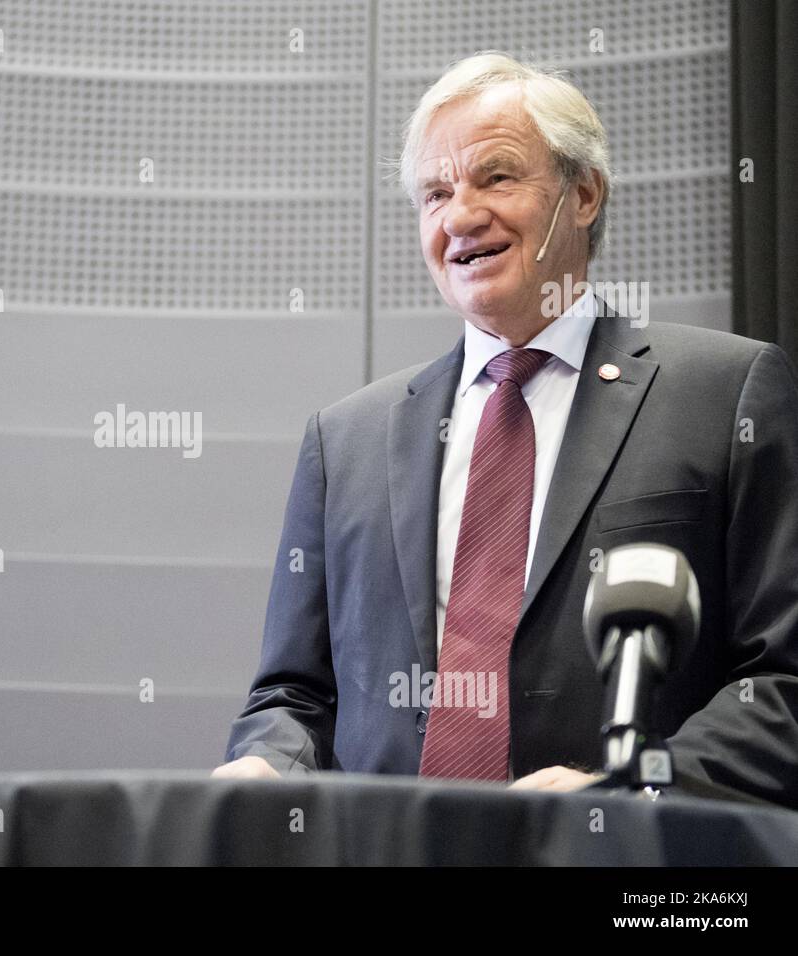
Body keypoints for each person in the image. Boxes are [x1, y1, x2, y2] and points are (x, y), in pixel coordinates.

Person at [213, 52, 798, 805]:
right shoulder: (346, 441)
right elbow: (294, 699)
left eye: (495, 177)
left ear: (582, 193)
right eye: (434, 193)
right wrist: (266, 766)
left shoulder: (725, 394)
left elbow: (781, 680)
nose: (460, 216)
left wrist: (630, 790)